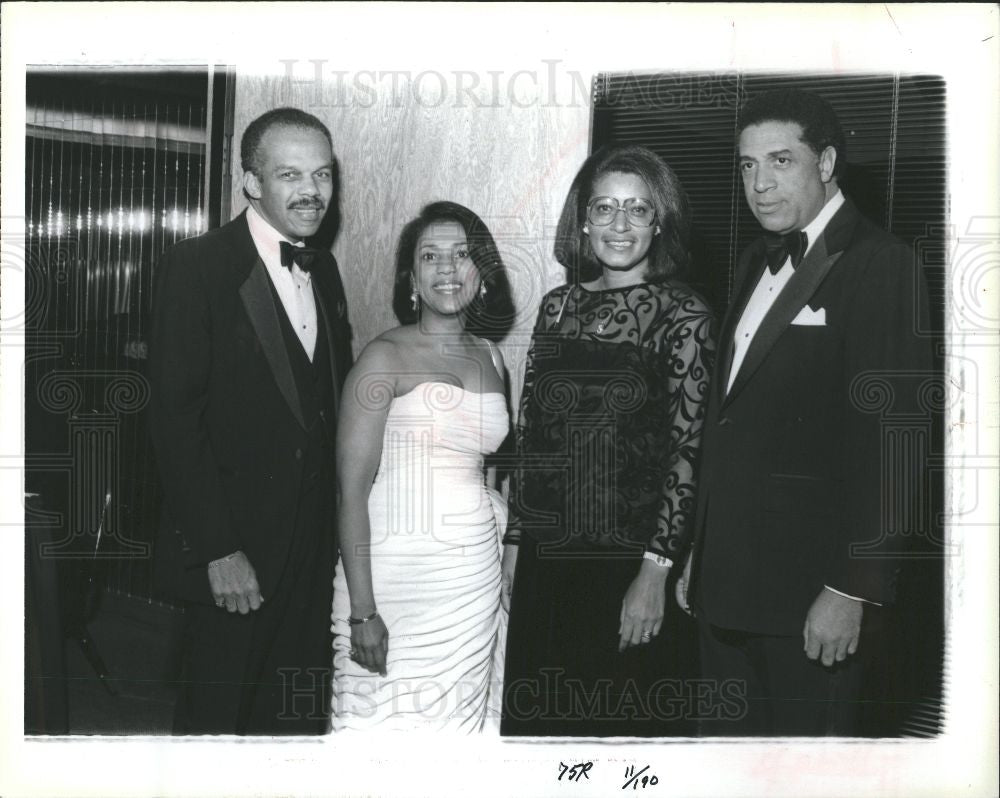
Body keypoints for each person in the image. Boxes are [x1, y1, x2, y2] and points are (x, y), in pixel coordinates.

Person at [679, 88, 932, 736]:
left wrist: (853, 588)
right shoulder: (748, 264)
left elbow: (895, 441)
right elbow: (727, 422)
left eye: (780, 161)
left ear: (825, 163)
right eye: (745, 165)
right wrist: (698, 555)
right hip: (724, 587)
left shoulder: (883, 263)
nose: (759, 185)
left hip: (810, 598)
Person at [500, 145, 716, 737]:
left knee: (616, 732)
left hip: (627, 559)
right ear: (584, 219)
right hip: (549, 551)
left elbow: (688, 452)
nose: (620, 225)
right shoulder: (557, 307)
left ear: (659, 220)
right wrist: (516, 546)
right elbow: (532, 437)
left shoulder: (684, 313)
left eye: (637, 209)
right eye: (605, 207)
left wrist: (655, 575)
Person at [149, 108, 353, 735]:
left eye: (322, 174)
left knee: (289, 720)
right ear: (251, 182)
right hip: (234, 552)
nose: (312, 191)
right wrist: (218, 549)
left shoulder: (325, 269)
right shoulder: (198, 267)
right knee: (217, 722)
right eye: (290, 174)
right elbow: (173, 422)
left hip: (311, 554)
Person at [331, 201, 514, 732]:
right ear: (412, 277)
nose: (447, 269)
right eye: (430, 256)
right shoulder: (382, 357)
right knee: (377, 729)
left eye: (461, 255)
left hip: (470, 577)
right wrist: (363, 609)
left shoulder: (492, 355)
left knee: (456, 735)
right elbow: (350, 493)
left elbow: (487, 466)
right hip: (393, 575)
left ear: (482, 272)